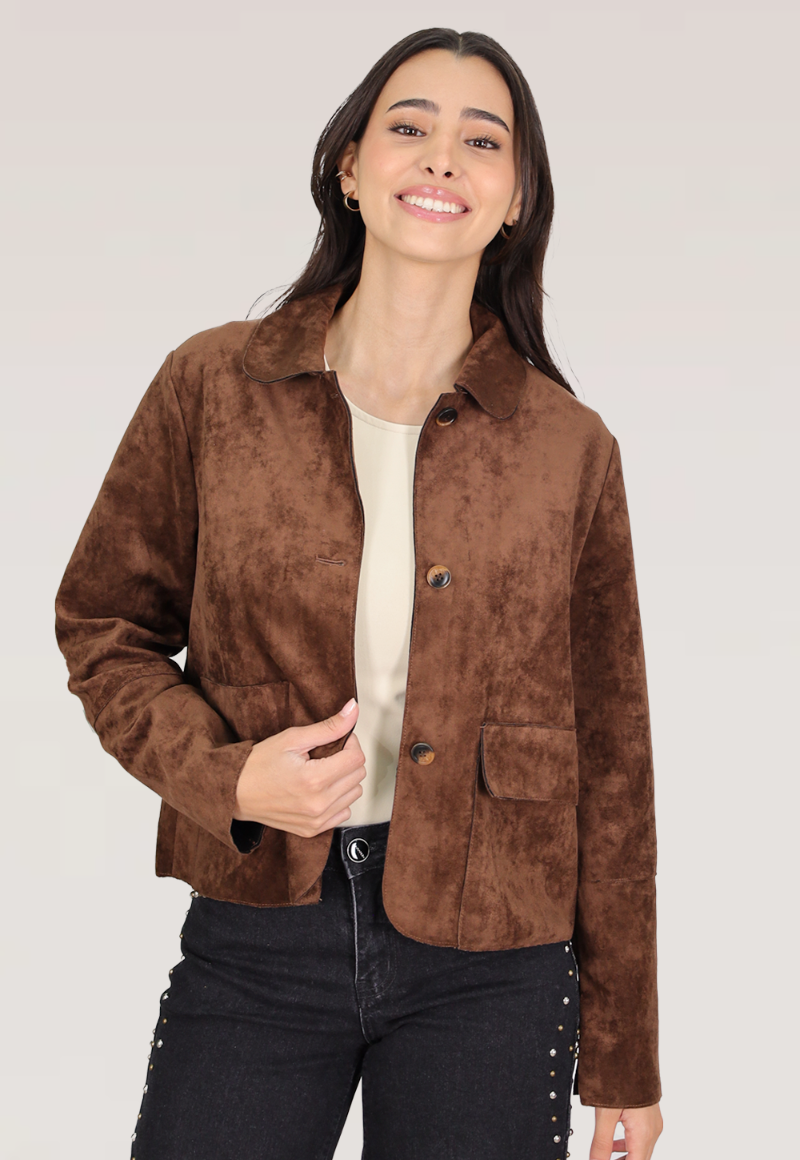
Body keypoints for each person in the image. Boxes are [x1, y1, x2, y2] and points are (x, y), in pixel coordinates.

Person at [54, 27, 664, 1160]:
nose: (442, 158)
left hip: (494, 958)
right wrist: (229, 775)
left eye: (482, 141)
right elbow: (102, 626)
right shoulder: (214, 385)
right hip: (259, 932)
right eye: (409, 126)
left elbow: (614, 755)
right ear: (348, 166)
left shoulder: (568, 447)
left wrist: (624, 1052)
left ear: (517, 198)